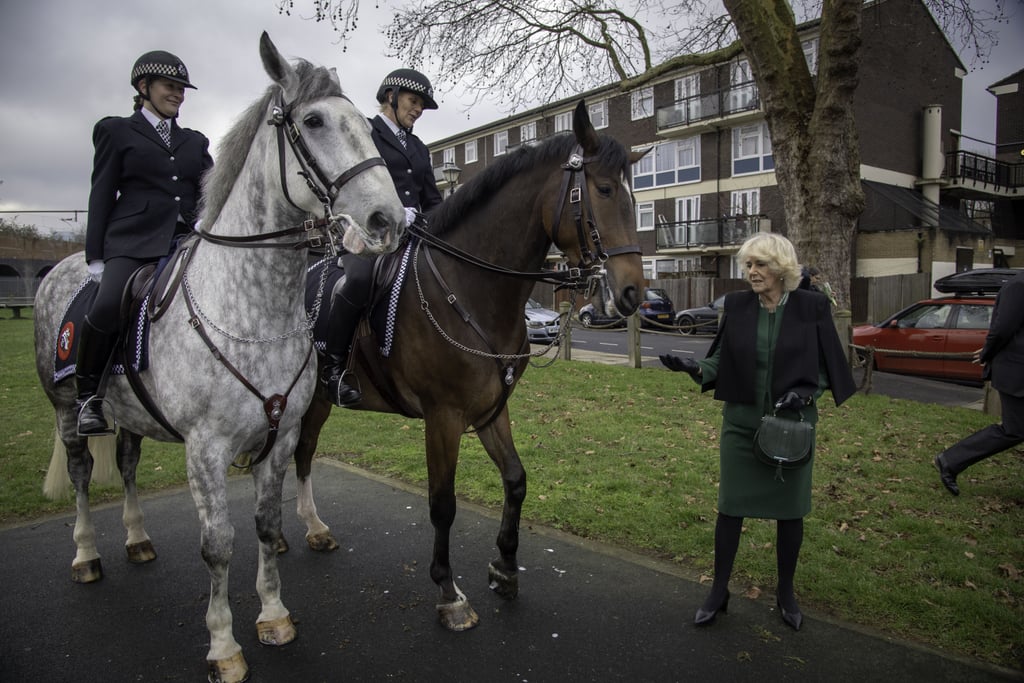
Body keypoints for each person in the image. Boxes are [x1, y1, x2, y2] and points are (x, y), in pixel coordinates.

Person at [659, 233, 855, 631]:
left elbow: (824, 367)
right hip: (742, 426)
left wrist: (806, 394)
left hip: (791, 427)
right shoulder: (737, 306)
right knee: (730, 507)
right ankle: (718, 590)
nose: (752, 272)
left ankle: (786, 591)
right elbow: (719, 360)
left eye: (760, 264)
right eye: (748, 265)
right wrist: (695, 369)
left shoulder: (811, 307)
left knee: (790, 511)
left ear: (781, 267)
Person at [76, 51, 213, 435]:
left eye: (182, 89)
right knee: (105, 306)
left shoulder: (194, 140)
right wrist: (95, 257)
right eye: (171, 87)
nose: (179, 95)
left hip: (187, 238)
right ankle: (88, 397)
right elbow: (100, 194)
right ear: (144, 87)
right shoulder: (116, 130)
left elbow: (210, 189)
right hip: (132, 241)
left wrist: (205, 218)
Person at [320, 68, 443, 406]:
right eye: (413, 101)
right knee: (358, 281)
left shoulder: (418, 147)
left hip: (414, 235)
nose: (417, 109)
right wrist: (391, 211)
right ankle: (333, 369)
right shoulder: (365, 131)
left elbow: (431, 199)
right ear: (391, 96)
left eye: (421, 105)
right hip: (367, 234)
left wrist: (438, 221)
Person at [934, 269, 1024, 496]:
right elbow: (1002, 329)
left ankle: (950, 460)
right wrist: (987, 352)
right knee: (1014, 430)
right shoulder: (1018, 286)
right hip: (1016, 372)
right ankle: (951, 460)